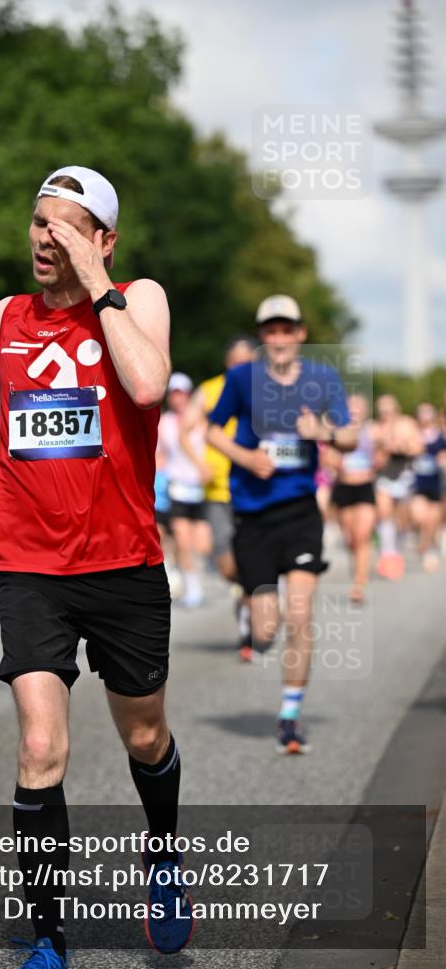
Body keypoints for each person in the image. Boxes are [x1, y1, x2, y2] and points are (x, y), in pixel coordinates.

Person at [0, 165, 193, 965]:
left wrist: (101, 287)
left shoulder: (139, 298)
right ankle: (48, 931)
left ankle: (161, 855)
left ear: (103, 240)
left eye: (62, 225)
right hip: (30, 563)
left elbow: (145, 386)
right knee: (39, 749)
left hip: (122, 561)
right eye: (36, 221)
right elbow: (34, 407)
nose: (42, 237)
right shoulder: (3, 315)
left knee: (144, 734)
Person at [206, 295, 357, 755]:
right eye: (269, 330)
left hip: (299, 512)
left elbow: (350, 435)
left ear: (300, 334)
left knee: (300, 615)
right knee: (267, 627)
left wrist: (325, 434)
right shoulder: (241, 378)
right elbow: (212, 429)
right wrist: (245, 456)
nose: (278, 338)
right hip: (252, 513)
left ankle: (290, 716)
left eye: (286, 329)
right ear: (262, 336)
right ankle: (248, 609)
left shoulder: (321, 378)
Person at [179, 336, 257, 652]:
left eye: (247, 361)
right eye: (235, 361)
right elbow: (185, 430)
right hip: (217, 490)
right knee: (225, 562)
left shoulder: (267, 389)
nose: (240, 366)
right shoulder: (210, 390)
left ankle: (250, 623)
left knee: (253, 556)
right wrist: (198, 463)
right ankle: (252, 589)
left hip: (253, 487)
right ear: (227, 362)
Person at [157, 372, 211, 608]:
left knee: (204, 545)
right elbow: (160, 455)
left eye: (182, 393)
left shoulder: (203, 420)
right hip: (177, 485)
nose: (177, 398)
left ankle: (192, 576)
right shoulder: (164, 422)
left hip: (204, 487)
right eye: (173, 393)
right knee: (182, 539)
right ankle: (192, 587)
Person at [329, 394, 377, 602]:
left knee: (362, 535)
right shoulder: (337, 431)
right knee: (351, 538)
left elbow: (382, 456)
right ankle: (356, 568)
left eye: (359, 406)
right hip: (343, 488)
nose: (355, 410)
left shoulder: (373, 431)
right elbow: (326, 457)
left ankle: (359, 584)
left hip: (365, 487)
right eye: (351, 407)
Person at [372, 394, 423, 580]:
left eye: (389, 407)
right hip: (384, 475)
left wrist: (403, 446)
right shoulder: (376, 428)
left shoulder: (407, 424)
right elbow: (373, 458)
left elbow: (418, 448)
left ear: (396, 408)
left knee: (403, 518)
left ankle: (397, 550)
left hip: (404, 474)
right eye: (382, 408)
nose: (385, 412)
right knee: (384, 512)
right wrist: (382, 449)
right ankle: (388, 555)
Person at [410, 402, 446, 572]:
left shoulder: (441, 437)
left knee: (433, 519)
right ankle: (425, 541)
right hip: (417, 483)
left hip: (437, 483)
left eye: (428, 412)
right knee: (419, 516)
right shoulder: (413, 435)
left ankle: (429, 548)